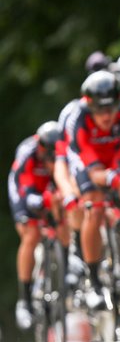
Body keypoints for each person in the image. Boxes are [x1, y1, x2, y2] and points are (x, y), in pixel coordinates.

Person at [67, 70, 120, 309]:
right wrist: (110, 177)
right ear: (90, 106)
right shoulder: (76, 118)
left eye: (111, 109)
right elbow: (90, 167)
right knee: (94, 206)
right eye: (100, 110)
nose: (107, 116)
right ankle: (94, 278)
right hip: (88, 162)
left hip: (116, 154)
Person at [8, 121, 69, 329]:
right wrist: (41, 203)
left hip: (49, 189)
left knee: (64, 220)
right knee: (31, 234)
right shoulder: (28, 153)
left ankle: (68, 269)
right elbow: (24, 191)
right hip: (26, 190)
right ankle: (24, 299)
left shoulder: (63, 151)